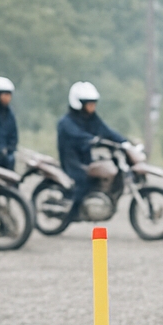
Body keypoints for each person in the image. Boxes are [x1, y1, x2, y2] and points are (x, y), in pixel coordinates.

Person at [56, 81, 127, 226]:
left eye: (94, 103)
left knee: (99, 177)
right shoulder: (66, 122)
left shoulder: (91, 118)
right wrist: (93, 140)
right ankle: (71, 214)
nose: (92, 107)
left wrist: (124, 142)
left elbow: (106, 131)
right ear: (78, 104)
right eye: (89, 104)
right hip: (72, 161)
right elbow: (77, 135)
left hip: (86, 159)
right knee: (83, 181)